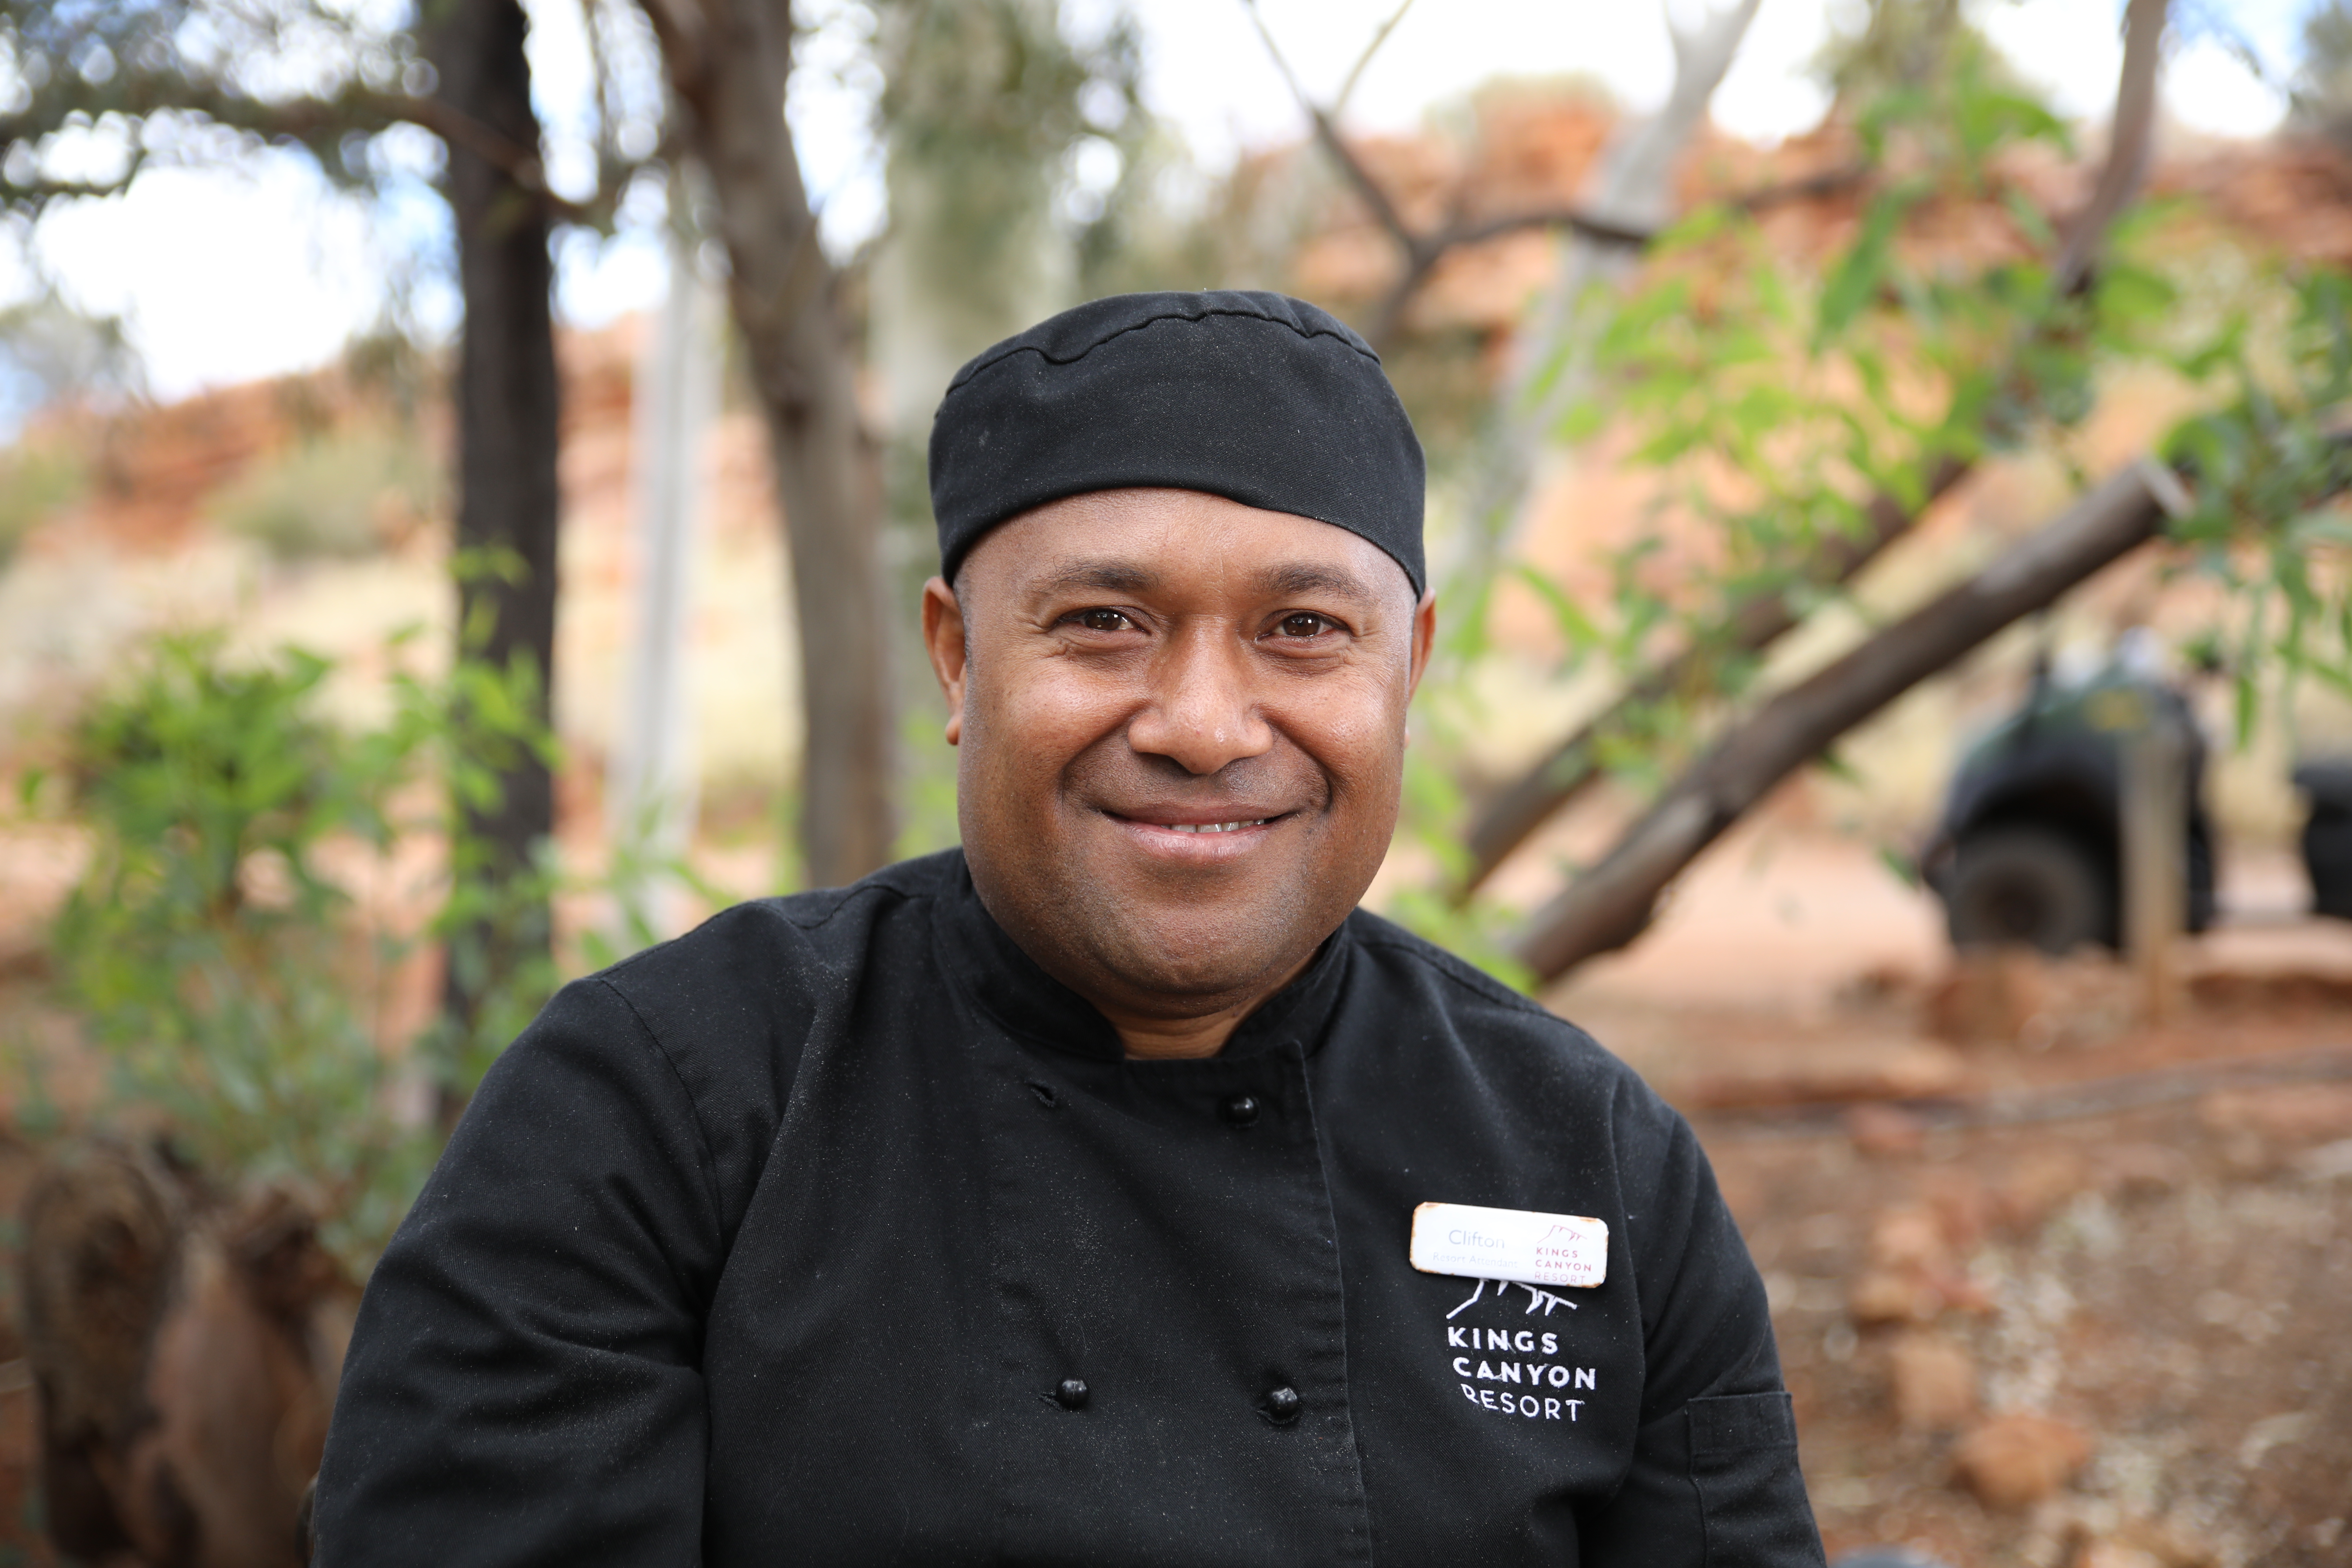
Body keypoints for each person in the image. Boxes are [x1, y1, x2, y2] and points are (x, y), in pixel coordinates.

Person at [312, 291, 1823, 1565]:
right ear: (957, 657)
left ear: (1407, 667)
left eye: (1304, 630)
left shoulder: (1591, 1160)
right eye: (1105, 622)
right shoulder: (657, 1106)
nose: (1203, 725)